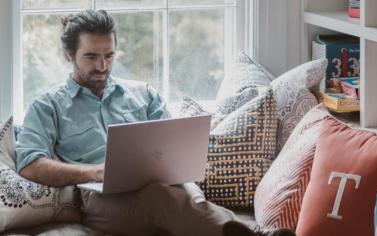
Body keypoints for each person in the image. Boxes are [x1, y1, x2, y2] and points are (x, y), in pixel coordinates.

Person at [15, 9, 295, 236]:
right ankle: (253, 233)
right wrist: (94, 173)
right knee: (161, 198)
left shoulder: (142, 94)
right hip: (100, 202)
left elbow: (172, 144)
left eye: (109, 56)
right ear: (69, 55)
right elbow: (30, 165)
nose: (102, 66)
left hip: (164, 188)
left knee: (182, 192)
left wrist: (181, 164)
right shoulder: (48, 106)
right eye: (91, 57)